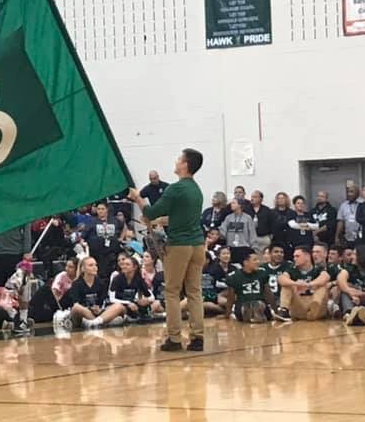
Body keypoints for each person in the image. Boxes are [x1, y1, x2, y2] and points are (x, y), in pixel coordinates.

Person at [129, 148, 206, 351]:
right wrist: (159, 221)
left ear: (185, 164)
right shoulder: (196, 190)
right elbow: (181, 217)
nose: (176, 161)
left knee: (172, 291)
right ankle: (198, 338)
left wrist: (138, 198)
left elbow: (151, 211)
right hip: (198, 244)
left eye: (179, 158)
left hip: (179, 245)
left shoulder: (175, 188)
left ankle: (174, 338)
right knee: (194, 292)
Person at [277, 246, 330, 321]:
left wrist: (308, 285)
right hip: (299, 306)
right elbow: (281, 279)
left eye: (297, 256)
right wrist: (296, 284)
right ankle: (283, 311)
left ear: (307, 256)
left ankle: (314, 307)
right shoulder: (292, 269)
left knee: (323, 286)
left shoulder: (318, 269)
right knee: (287, 285)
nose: (294, 259)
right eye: (294, 256)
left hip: (316, 306)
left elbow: (326, 277)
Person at [223, 250, 276, 323]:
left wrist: (275, 310)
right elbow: (230, 298)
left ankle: (255, 315)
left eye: (258, 260)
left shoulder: (262, 272)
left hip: (260, 304)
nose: (258, 262)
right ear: (246, 262)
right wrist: (227, 315)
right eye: (255, 260)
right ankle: (253, 315)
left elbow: (268, 293)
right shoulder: (234, 276)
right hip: (243, 305)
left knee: (259, 305)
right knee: (248, 306)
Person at [106, 253, 154, 323]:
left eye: (127, 264)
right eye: (123, 264)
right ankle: (97, 321)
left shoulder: (139, 279)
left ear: (135, 267)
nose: (124, 266)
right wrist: (128, 303)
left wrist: (145, 300)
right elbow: (111, 299)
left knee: (154, 304)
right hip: (119, 305)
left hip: (134, 307)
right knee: (118, 307)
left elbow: (151, 296)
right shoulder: (116, 278)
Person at [336, 244, 365, 317]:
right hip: (354, 299)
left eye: (354, 254)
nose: (352, 257)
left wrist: (358, 293)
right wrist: (351, 293)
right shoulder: (351, 268)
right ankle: (349, 313)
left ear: (362, 256)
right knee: (344, 290)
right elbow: (340, 280)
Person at [219, 198, 255, 264]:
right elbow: (223, 231)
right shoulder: (228, 217)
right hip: (231, 247)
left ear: (240, 205)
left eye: (234, 203)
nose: (231, 205)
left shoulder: (247, 218)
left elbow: (252, 233)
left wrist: (252, 247)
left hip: (243, 247)